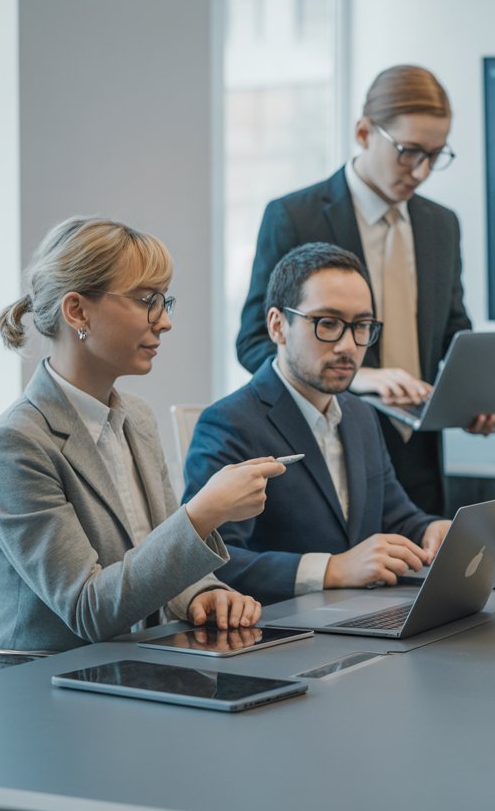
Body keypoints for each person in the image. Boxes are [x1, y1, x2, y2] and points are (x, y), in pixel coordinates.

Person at [0, 217, 283, 676]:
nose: (167, 321)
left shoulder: (136, 417)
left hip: (127, 673)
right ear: (77, 311)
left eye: (165, 301)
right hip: (39, 692)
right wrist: (204, 513)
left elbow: (153, 555)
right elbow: (89, 609)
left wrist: (202, 592)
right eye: (147, 301)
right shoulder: (16, 445)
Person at [235, 64, 495, 516]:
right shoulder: (295, 216)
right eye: (409, 152)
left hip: (420, 458)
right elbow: (255, 342)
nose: (422, 170)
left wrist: (471, 396)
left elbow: (453, 330)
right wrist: (361, 377)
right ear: (362, 133)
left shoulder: (441, 224)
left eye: (436, 155)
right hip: (331, 456)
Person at [186, 243, 448, 605]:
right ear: (278, 326)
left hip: (363, 617)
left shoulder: (360, 414)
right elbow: (213, 560)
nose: (348, 345)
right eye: (327, 324)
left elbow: (398, 516)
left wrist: (431, 529)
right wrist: (333, 569)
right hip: (280, 634)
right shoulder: (230, 423)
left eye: (362, 326)